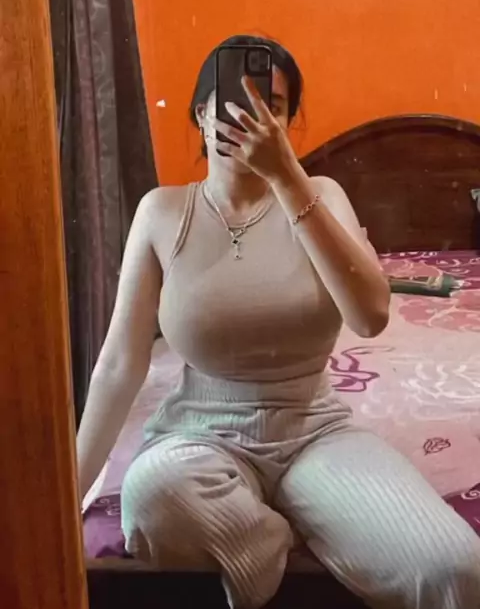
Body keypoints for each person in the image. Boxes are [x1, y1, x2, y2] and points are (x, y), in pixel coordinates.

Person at [77, 35, 480, 609]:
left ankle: (273, 530)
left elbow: (370, 317)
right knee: (152, 492)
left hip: (313, 431)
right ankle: (269, 539)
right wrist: (65, 496)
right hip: (198, 436)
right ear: (200, 113)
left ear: (288, 122)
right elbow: (120, 364)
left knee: (453, 567)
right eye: (230, 99)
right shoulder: (162, 212)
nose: (249, 115)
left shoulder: (322, 196)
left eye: (271, 104)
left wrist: (289, 181)